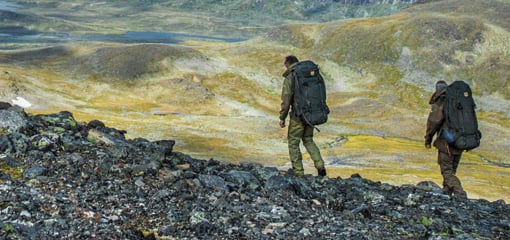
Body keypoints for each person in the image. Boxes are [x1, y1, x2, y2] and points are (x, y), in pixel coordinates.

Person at [279, 55, 326, 177]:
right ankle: (320, 166)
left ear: (287, 64)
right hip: (310, 115)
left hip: (298, 117)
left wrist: (282, 117)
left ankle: (299, 173)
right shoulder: (311, 75)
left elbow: (286, 100)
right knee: (308, 139)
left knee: (293, 143)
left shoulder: (291, 77)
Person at [425, 80, 467, 199]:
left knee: (447, 171)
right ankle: (446, 192)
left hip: (447, 142)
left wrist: (428, 139)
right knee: (451, 169)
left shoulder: (442, 101)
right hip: (460, 141)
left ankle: (460, 194)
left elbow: (434, 122)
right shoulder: (460, 102)